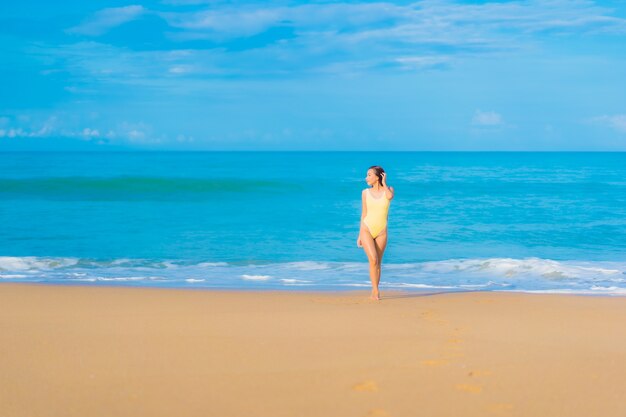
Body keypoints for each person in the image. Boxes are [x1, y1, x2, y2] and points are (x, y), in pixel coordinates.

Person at [357, 166, 394, 300]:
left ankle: (375, 290)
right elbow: (364, 213)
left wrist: (384, 183)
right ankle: (375, 290)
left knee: (378, 262)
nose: (366, 178)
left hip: (381, 231)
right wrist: (360, 234)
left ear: (378, 177)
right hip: (367, 228)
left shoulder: (388, 190)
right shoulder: (365, 193)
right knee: (373, 259)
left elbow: (389, 197)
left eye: (369, 175)